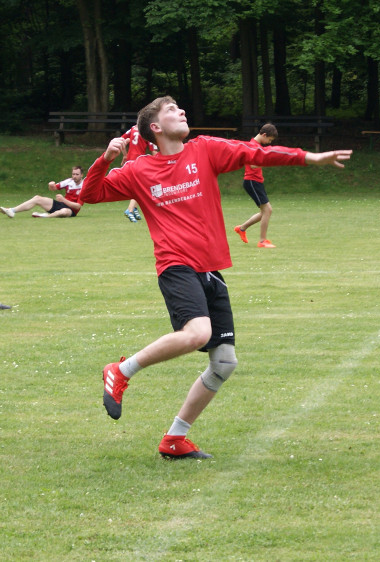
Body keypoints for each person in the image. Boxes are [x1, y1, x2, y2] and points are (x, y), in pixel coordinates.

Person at [79, 96, 352, 459]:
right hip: (176, 266)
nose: (183, 111)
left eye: (181, 107)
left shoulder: (204, 149)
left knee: (224, 363)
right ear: (155, 128)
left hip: (210, 269)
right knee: (197, 334)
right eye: (173, 110)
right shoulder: (139, 170)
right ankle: (121, 370)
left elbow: (254, 153)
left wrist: (308, 157)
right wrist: (107, 159)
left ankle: (175, 439)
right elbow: (89, 194)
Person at [233, 123, 279, 248]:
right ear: (264, 134)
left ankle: (241, 228)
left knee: (266, 211)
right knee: (267, 210)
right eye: (269, 140)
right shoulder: (253, 146)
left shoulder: (256, 145)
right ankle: (262, 241)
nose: (268, 143)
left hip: (256, 181)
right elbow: (253, 165)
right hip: (252, 181)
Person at [1, 166, 84, 218]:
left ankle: (45, 216)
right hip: (61, 204)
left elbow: (77, 206)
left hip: (71, 210)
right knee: (37, 198)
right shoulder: (69, 181)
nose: (74, 176)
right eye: (73, 174)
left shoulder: (85, 187)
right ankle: (12, 210)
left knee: (64, 211)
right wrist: (51, 185)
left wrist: (63, 200)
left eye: (77, 174)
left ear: (82, 175)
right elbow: (53, 188)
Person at [120, 123, 157, 222]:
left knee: (137, 186)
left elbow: (122, 140)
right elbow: (154, 151)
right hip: (138, 162)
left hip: (129, 160)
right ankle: (130, 209)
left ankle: (135, 208)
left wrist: (124, 155)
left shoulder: (133, 128)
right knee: (141, 187)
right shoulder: (147, 132)